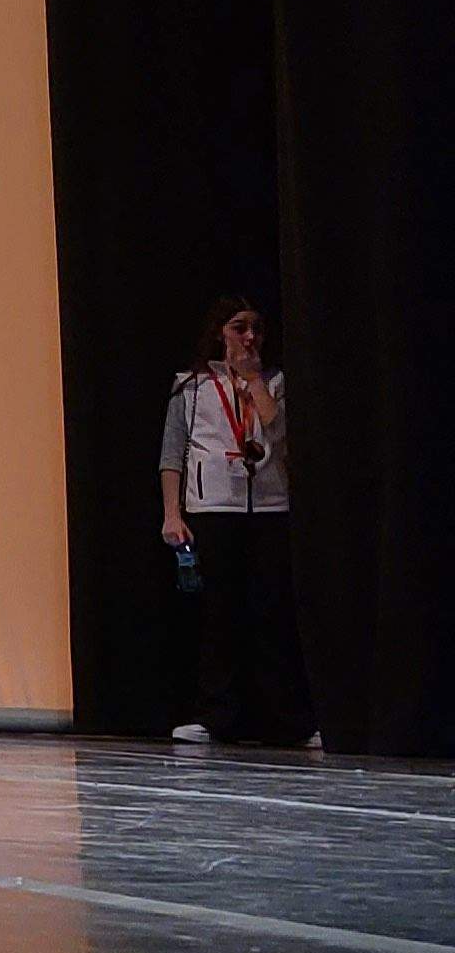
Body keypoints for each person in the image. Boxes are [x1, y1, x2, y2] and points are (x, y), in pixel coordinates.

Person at [158, 297, 312, 746]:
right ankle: (215, 716)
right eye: (240, 327)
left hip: (268, 507)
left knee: (271, 614)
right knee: (218, 616)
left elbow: (279, 434)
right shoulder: (190, 387)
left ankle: (287, 721)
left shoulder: (277, 382)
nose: (249, 337)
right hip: (212, 510)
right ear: (220, 332)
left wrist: (253, 381)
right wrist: (172, 513)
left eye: (257, 329)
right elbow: (172, 455)